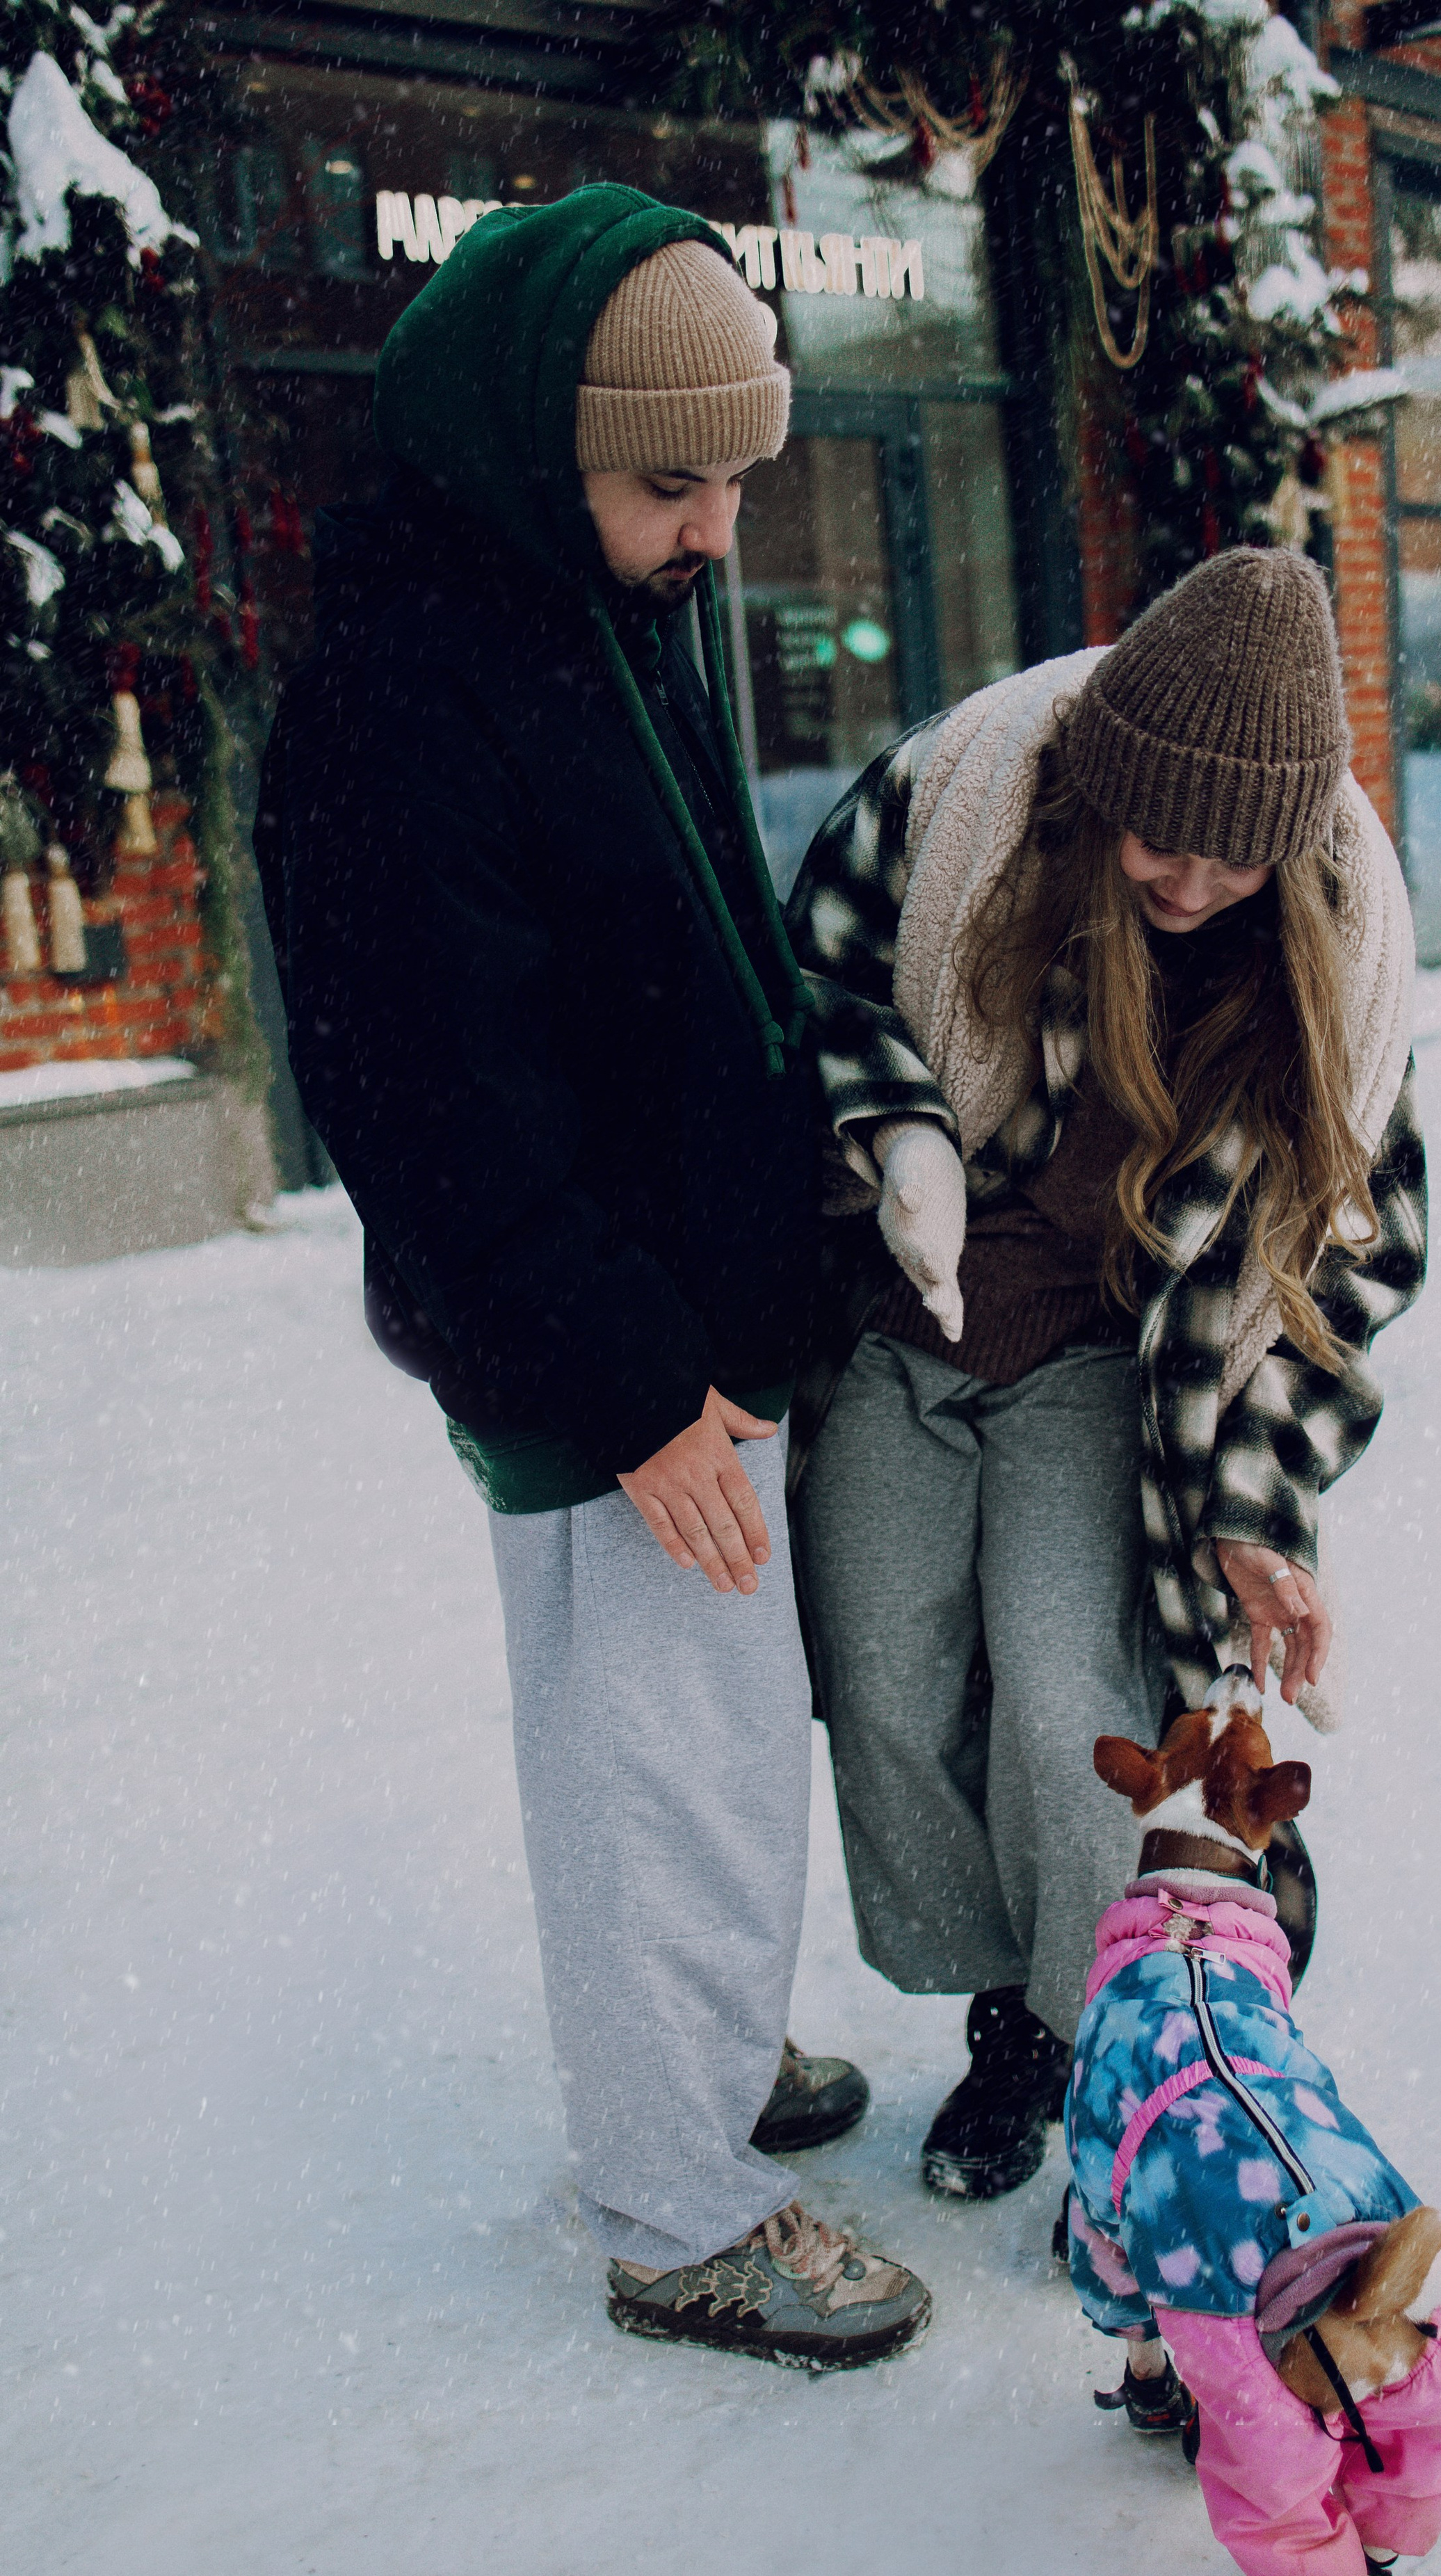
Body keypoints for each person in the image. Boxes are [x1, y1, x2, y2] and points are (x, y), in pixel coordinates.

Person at [255, 185, 929, 2371]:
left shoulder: (597, 603)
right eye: (673, 482)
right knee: (653, 1755)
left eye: (737, 475)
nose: (718, 528)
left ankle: (703, 2060)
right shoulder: (398, 690)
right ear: (535, 447)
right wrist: (631, 1374)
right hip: (594, 1343)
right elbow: (435, 1113)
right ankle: (677, 2208)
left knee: (717, 1733)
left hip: (688, 1308)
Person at [786, 549, 1427, 2200]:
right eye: (1161, 835)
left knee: (1070, 1698)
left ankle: (1093, 2058)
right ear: (1099, 785)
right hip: (895, 1313)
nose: (1192, 879)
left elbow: (1346, 1253)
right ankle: (1002, 1994)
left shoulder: (1333, 952)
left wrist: (1256, 1509)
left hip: (1100, 1353)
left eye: (1236, 855)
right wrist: (894, 1126)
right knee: (884, 1674)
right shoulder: (961, 805)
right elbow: (799, 984)